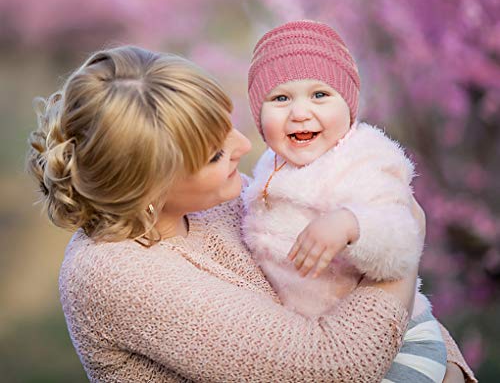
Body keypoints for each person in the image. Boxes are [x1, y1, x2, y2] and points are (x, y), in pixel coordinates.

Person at [26, 45, 474, 382]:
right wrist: (405, 243)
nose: (244, 146)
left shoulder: (218, 200)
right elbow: (330, 367)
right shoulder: (115, 274)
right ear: (150, 189)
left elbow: (354, 287)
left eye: (231, 124)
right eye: (216, 154)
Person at [243, 20, 475, 383]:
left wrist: (351, 224)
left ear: (349, 106)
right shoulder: (267, 170)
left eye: (320, 94)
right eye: (280, 98)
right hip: (327, 340)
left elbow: (401, 240)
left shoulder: (363, 159)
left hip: (402, 343)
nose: (300, 112)